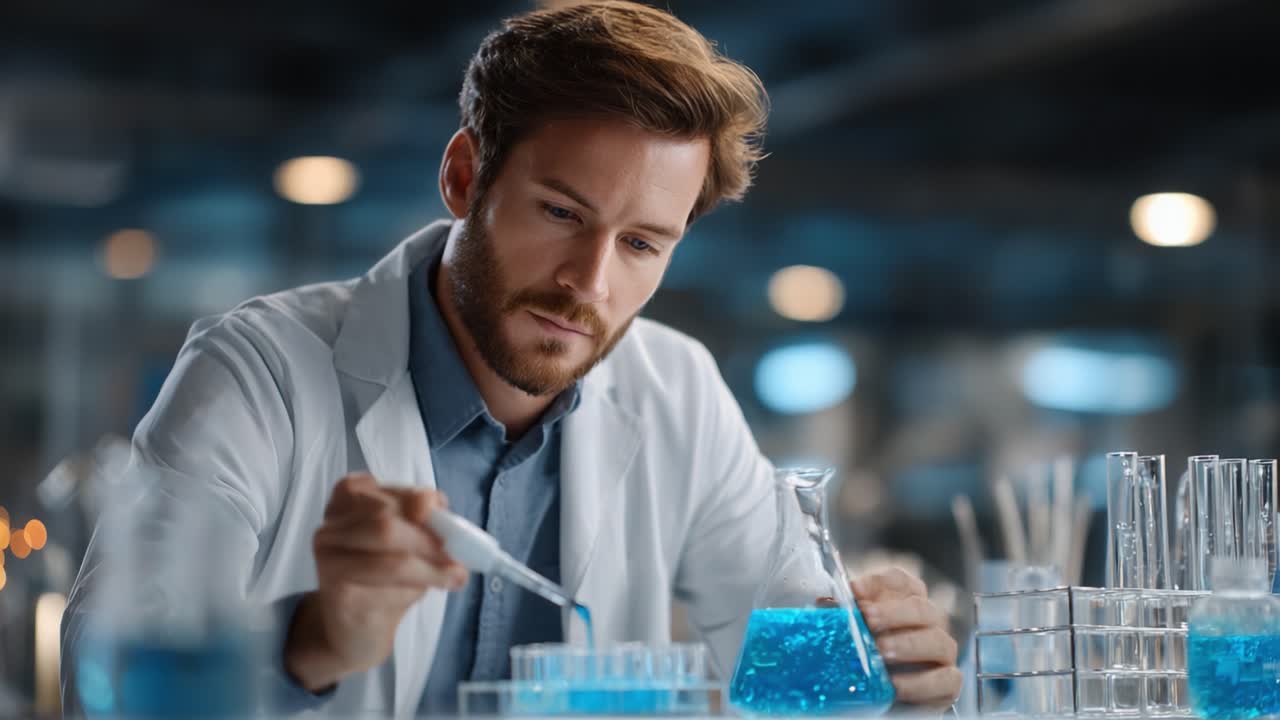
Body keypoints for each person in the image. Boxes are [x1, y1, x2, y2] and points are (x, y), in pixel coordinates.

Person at [62, 1, 962, 716]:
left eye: (643, 244)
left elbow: (808, 682)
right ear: (465, 176)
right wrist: (314, 642)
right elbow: (103, 677)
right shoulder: (260, 371)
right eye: (562, 214)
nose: (590, 283)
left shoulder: (676, 387)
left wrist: (895, 678)